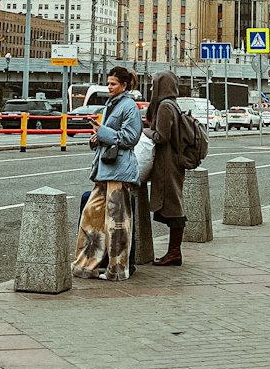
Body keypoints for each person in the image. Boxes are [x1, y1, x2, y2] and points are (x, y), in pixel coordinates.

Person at [72, 67, 142, 281]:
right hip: (106, 169)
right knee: (91, 217)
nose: (109, 87)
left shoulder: (129, 106)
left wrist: (102, 132)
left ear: (124, 85)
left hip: (119, 171)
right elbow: (111, 136)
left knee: (117, 224)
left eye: (113, 84)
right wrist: (97, 137)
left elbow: (131, 137)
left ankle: (117, 269)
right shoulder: (112, 104)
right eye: (108, 83)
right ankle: (87, 265)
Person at [145, 72, 187, 267]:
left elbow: (161, 136)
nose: (152, 89)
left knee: (173, 205)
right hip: (172, 161)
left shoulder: (165, 106)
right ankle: (173, 251)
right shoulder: (172, 104)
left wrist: (144, 130)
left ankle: (174, 252)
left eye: (154, 85)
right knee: (173, 203)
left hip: (167, 162)